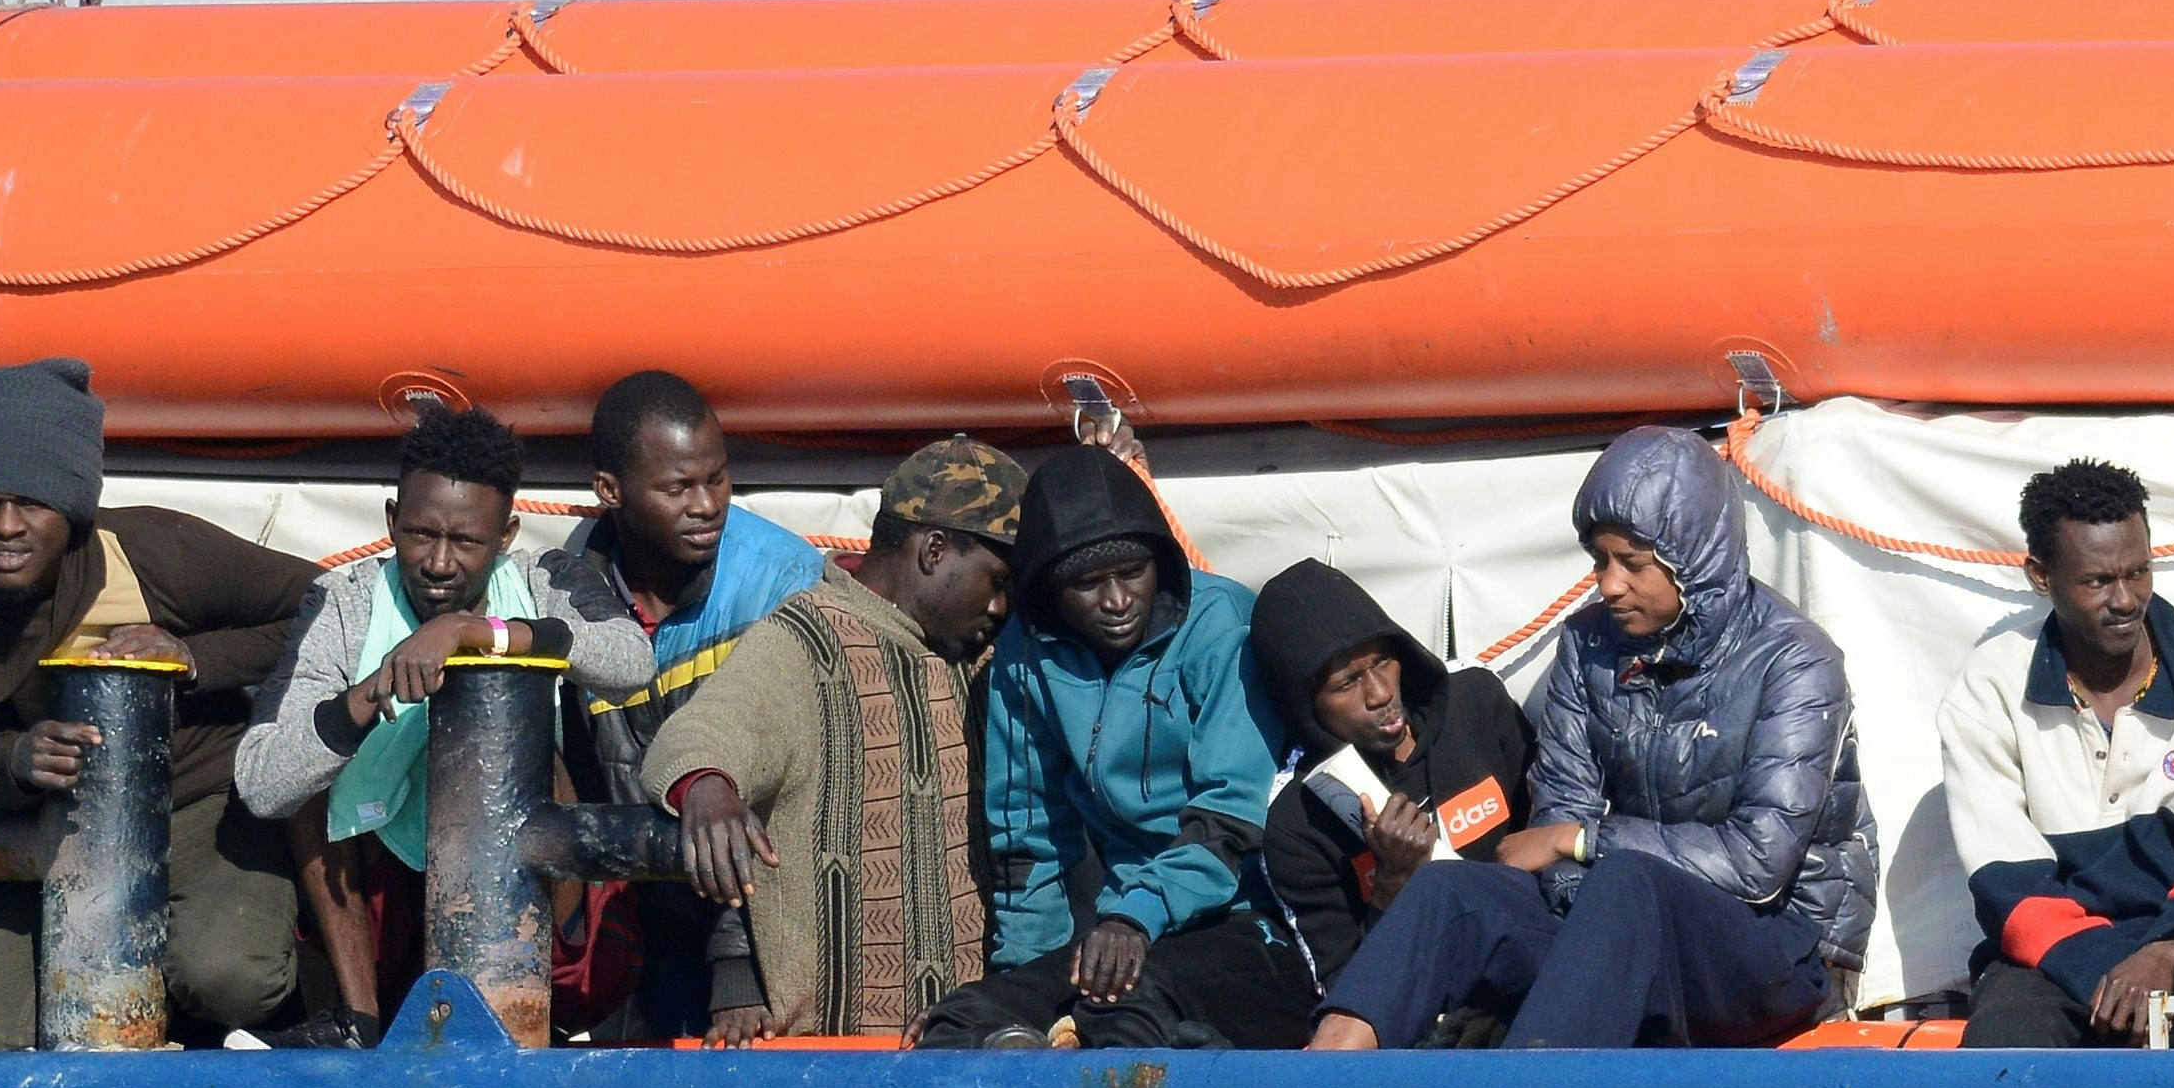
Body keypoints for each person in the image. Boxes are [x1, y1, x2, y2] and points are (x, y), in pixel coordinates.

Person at [1307, 427, 1874, 1050]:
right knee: (1451, 891)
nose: (1608, 584)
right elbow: (1562, 804)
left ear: (1696, 558)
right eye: (1599, 561)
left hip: (1776, 948)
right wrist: (1579, 871)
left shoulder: (1794, 661)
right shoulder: (1588, 643)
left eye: (1632, 563)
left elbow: (1758, 862)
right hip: (1624, 927)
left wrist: (1579, 844)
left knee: (1627, 880)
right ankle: (1323, 1082)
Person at [0, 358, 321, 1049]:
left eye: (32, 502)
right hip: (52, 826)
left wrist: (195, 659)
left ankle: (298, 1005)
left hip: (195, 802)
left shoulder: (151, 550)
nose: (5, 525)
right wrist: (19, 758)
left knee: (228, 979)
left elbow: (326, 606)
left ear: (73, 506)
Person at [235, 407, 649, 1037]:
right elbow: (262, 782)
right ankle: (360, 1019)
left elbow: (631, 661)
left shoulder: (543, 580)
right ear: (391, 521)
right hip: (389, 876)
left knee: (532, 739)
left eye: (466, 542)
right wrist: (367, 699)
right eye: (422, 535)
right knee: (308, 778)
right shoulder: (345, 602)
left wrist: (479, 633)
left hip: (522, 866)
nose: (439, 562)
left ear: (506, 535)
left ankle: (533, 991)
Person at [916, 445, 1310, 1048]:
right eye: (1087, 584)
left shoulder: (1223, 625)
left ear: (1161, 563)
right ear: (1049, 590)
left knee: (1126, 1014)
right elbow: (1026, 836)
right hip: (1121, 928)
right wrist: (1026, 979)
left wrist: (1135, 916)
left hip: (1249, 919)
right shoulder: (1025, 655)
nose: (1118, 600)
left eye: (1132, 573)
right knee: (964, 1020)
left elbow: (1229, 820)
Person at [642, 438, 1025, 1041]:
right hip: (833, 1060)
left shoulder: (980, 656)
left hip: (972, 1051)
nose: (1001, 606)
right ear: (934, 550)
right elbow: (696, 735)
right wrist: (707, 788)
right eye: (996, 581)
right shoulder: (802, 644)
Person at [1939, 459, 2174, 1046]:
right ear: (2039, 576)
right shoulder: (1987, 687)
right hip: (2060, 950)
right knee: (2006, 1052)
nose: (2127, 600)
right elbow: (2007, 883)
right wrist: (2111, 971)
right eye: (2098, 581)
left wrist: (2161, 953)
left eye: (2140, 572)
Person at [554, 371, 825, 1043]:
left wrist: (739, 963)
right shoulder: (564, 589)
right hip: (644, 926)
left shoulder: (784, 581)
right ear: (609, 492)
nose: (708, 504)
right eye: (678, 489)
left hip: (765, 940)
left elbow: (795, 797)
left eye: (719, 478)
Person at [1247, 558, 1536, 1008]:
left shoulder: (1475, 704)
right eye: (1347, 684)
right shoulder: (1296, 822)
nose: (1380, 692)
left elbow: (1550, 827)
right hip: (1435, 1014)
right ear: (1306, 707)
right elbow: (1347, 994)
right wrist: (1392, 883)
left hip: (1537, 955)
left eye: (1383, 661)